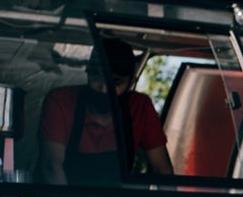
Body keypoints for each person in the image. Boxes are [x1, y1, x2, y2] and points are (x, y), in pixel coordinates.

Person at [38, 36, 172, 184]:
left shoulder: (140, 107)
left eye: (115, 82)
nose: (104, 89)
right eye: (97, 78)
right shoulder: (61, 101)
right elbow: (51, 166)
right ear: (88, 73)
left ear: (131, 82)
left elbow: (163, 171)